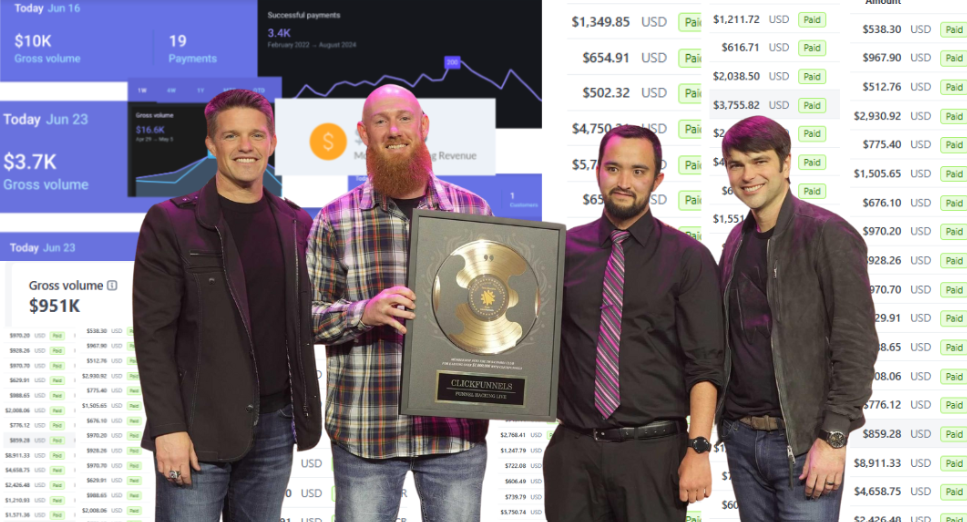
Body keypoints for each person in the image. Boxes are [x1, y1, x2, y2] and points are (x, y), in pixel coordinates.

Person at [133, 89, 321, 522]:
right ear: (211, 144)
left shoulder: (297, 223)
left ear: (272, 143)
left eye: (256, 135)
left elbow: (310, 317)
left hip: (275, 428)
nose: (245, 146)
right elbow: (153, 337)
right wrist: (168, 428)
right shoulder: (171, 222)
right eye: (231, 135)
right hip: (197, 429)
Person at [307, 84, 492, 521]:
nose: (394, 130)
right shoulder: (335, 219)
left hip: (453, 432)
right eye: (381, 121)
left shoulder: (473, 211)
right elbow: (305, 319)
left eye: (404, 118)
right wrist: (362, 313)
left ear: (423, 126)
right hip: (367, 430)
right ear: (363, 133)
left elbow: (494, 316)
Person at [543, 125, 725, 521]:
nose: (624, 182)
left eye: (638, 171)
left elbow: (706, 363)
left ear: (657, 179)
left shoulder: (688, 257)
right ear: (596, 171)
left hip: (654, 455)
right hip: (572, 453)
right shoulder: (560, 250)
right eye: (613, 168)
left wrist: (698, 449)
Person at [715, 115, 878, 521]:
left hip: (805, 444)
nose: (747, 175)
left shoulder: (827, 234)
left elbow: (856, 344)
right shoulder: (735, 241)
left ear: (786, 164)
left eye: (760, 161)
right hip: (741, 438)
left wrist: (834, 437)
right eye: (736, 164)